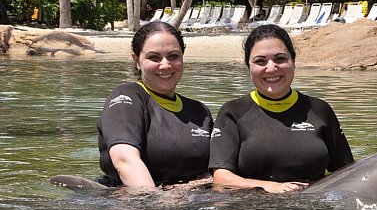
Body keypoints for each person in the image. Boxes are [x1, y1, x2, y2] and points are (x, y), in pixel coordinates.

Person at [209, 24, 354, 194]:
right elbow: (221, 178)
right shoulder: (233, 112)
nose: (271, 68)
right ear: (248, 66)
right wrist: (270, 187)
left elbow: (347, 172)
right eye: (260, 61)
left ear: (293, 61)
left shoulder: (319, 110)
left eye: (280, 59)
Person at [97, 21, 213, 188]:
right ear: (136, 60)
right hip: (135, 203)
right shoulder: (127, 97)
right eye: (154, 57)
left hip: (192, 205)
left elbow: (219, 166)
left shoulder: (200, 112)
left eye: (173, 56)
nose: (165, 65)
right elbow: (125, 160)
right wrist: (157, 201)